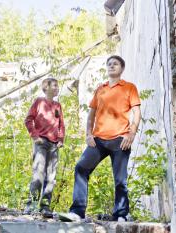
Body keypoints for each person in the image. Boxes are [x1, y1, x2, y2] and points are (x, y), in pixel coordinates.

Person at [60, 55, 141, 222]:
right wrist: (88, 134)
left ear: (122, 68)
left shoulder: (129, 87)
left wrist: (131, 133)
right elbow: (91, 114)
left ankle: (121, 214)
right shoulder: (100, 89)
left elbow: (137, 113)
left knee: (120, 180)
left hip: (120, 140)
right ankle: (77, 212)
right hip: (98, 140)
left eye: (115, 64)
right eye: (109, 64)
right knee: (81, 168)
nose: (112, 66)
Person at [24, 77, 65, 218]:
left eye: (57, 86)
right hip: (41, 143)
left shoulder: (57, 106)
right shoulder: (39, 102)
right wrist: (35, 136)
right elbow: (28, 120)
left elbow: (61, 124)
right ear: (46, 87)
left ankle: (45, 206)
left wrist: (60, 139)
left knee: (51, 177)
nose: (57, 88)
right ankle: (31, 205)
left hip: (54, 145)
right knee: (38, 174)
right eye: (54, 85)